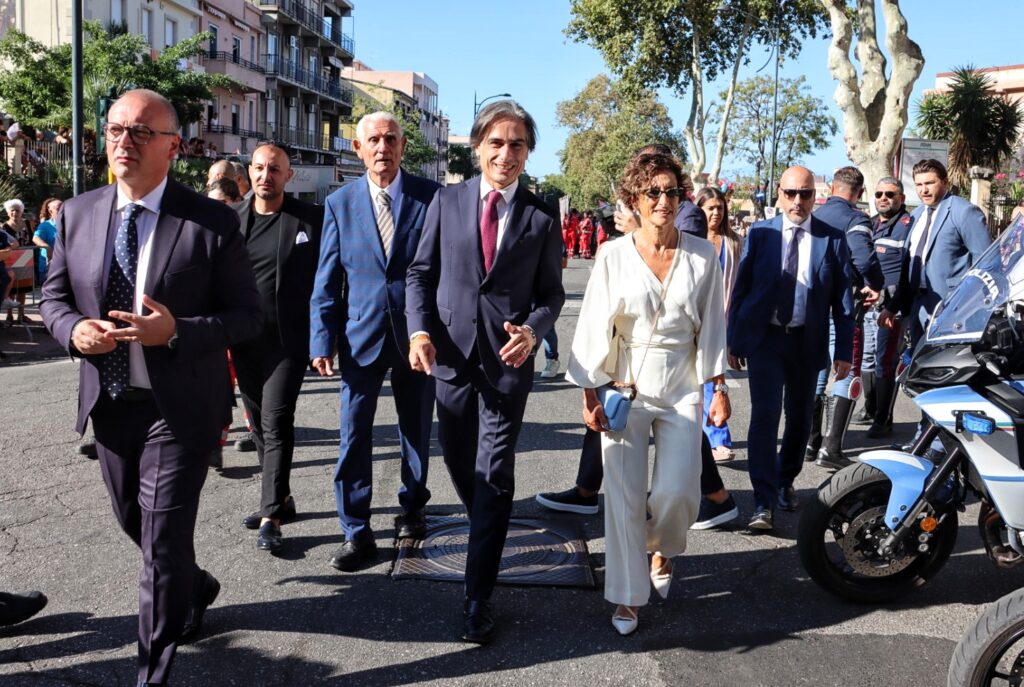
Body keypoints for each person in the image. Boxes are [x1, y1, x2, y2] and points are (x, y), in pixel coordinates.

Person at [39, 88, 262, 686]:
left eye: (140, 132)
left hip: (179, 406)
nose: (123, 142)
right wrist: (74, 329)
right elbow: (53, 298)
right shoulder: (79, 213)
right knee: (133, 523)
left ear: (173, 147)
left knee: (160, 544)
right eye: (115, 130)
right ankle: (196, 583)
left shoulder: (210, 221)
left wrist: (176, 331)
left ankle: (151, 674)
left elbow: (247, 316)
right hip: (111, 403)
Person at [406, 100, 564, 645]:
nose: (505, 154)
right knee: (459, 464)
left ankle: (478, 596)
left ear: (527, 153)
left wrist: (535, 330)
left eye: (517, 144)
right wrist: (419, 331)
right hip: (448, 358)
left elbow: (552, 292)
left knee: (494, 475)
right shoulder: (446, 202)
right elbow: (420, 273)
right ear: (477, 147)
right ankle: (489, 530)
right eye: (496, 143)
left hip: (506, 364)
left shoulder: (542, 216)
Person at [566, 151, 729, 636]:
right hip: (624, 383)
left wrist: (716, 388)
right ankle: (627, 595)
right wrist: (590, 391)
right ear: (633, 199)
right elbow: (593, 322)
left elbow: (715, 327)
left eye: (671, 191)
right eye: (652, 192)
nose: (663, 200)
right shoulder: (613, 254)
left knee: (678, 492)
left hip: (681, 385)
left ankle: (661, 548)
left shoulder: (702, 253)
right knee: (621, 495)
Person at [310, 112, 440, 571]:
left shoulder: (431, 198)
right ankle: (355, 529)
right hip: (359, 335)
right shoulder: (339, 203)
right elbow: (327, 279)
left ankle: (413, 506)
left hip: (417, 336)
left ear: (403, 147)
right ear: (358, 148)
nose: (382, 147)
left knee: (416, 428)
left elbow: (442, 270)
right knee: (353, 433)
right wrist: (321, 339)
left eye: (390, 139)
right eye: (373, 140)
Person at [728, 165, 855, 531]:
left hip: (806, 341)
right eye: (790, 193)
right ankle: (763, 502)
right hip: (766, 340)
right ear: (779, 195)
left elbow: (843, 304)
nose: (797, 201)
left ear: (816, 197)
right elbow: (743, 289)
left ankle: (785, 481)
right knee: (765, 418)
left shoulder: (832, 239)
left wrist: (844, 352)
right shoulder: (761, 233)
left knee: (799, 420)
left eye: (805, 194)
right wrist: (735, 338)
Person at [230, 141, 323, 554]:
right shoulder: (231, 221)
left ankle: (271, 514)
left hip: (289, 342)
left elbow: (329, 281)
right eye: (259, 168)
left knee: (277, 420)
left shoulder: (311, 220)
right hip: (244, 340)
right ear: (249, 173)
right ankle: (281, 496)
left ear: (289, 175)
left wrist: (328, 337)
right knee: (258, 424)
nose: (266, 176)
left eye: (275, 169)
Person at [809, 166, 884, 470]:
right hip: (843, 306)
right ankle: (831, 447)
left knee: (817, 372)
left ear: (831, 190)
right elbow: (864, 258)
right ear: (859, 193)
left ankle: (810, 442)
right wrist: (875, 284)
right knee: (847, 370)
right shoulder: (856, 219)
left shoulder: (814, 216)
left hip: (812, 305)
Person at [879, 159, 991, 348]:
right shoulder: (916, 215)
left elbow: (985, 264)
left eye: (930, 183)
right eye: (919, 185)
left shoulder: (964, 212)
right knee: (917, 367)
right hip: (917, 307)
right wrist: (892, 307)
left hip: (953, 310)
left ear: (945, 182)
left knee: (943, 371)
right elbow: (909, 267)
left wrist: (969, 306)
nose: (924, 190)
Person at [854, 177, 912, 438]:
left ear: (901, 198)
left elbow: (909, 273)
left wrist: (893, 303)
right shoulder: (871, 224)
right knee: (866, 359)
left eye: (890, 193)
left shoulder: (907, 226)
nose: (883, 198)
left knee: (885, 361)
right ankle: (870, 407)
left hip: (892, 307)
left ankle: (883, 418)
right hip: (868, 306)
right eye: (879, 193)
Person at [695, 186, 742, 463]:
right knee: (695, 382)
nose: (715, 212)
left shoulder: (734, 242)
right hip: (691, 321)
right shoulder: (688, 239)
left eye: (720, 208)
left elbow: (739, 288)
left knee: (713, 380)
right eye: (710, 207)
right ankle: (699, 437)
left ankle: (718, 438)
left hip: (721, 321)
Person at [33, 197, 61, 282]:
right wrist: (47, 247)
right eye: (58, 209)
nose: (62, 211)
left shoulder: (69, 224)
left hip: (65, 266)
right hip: (49, 267)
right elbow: (35, 238)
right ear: (50, 211)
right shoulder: (45, 225)